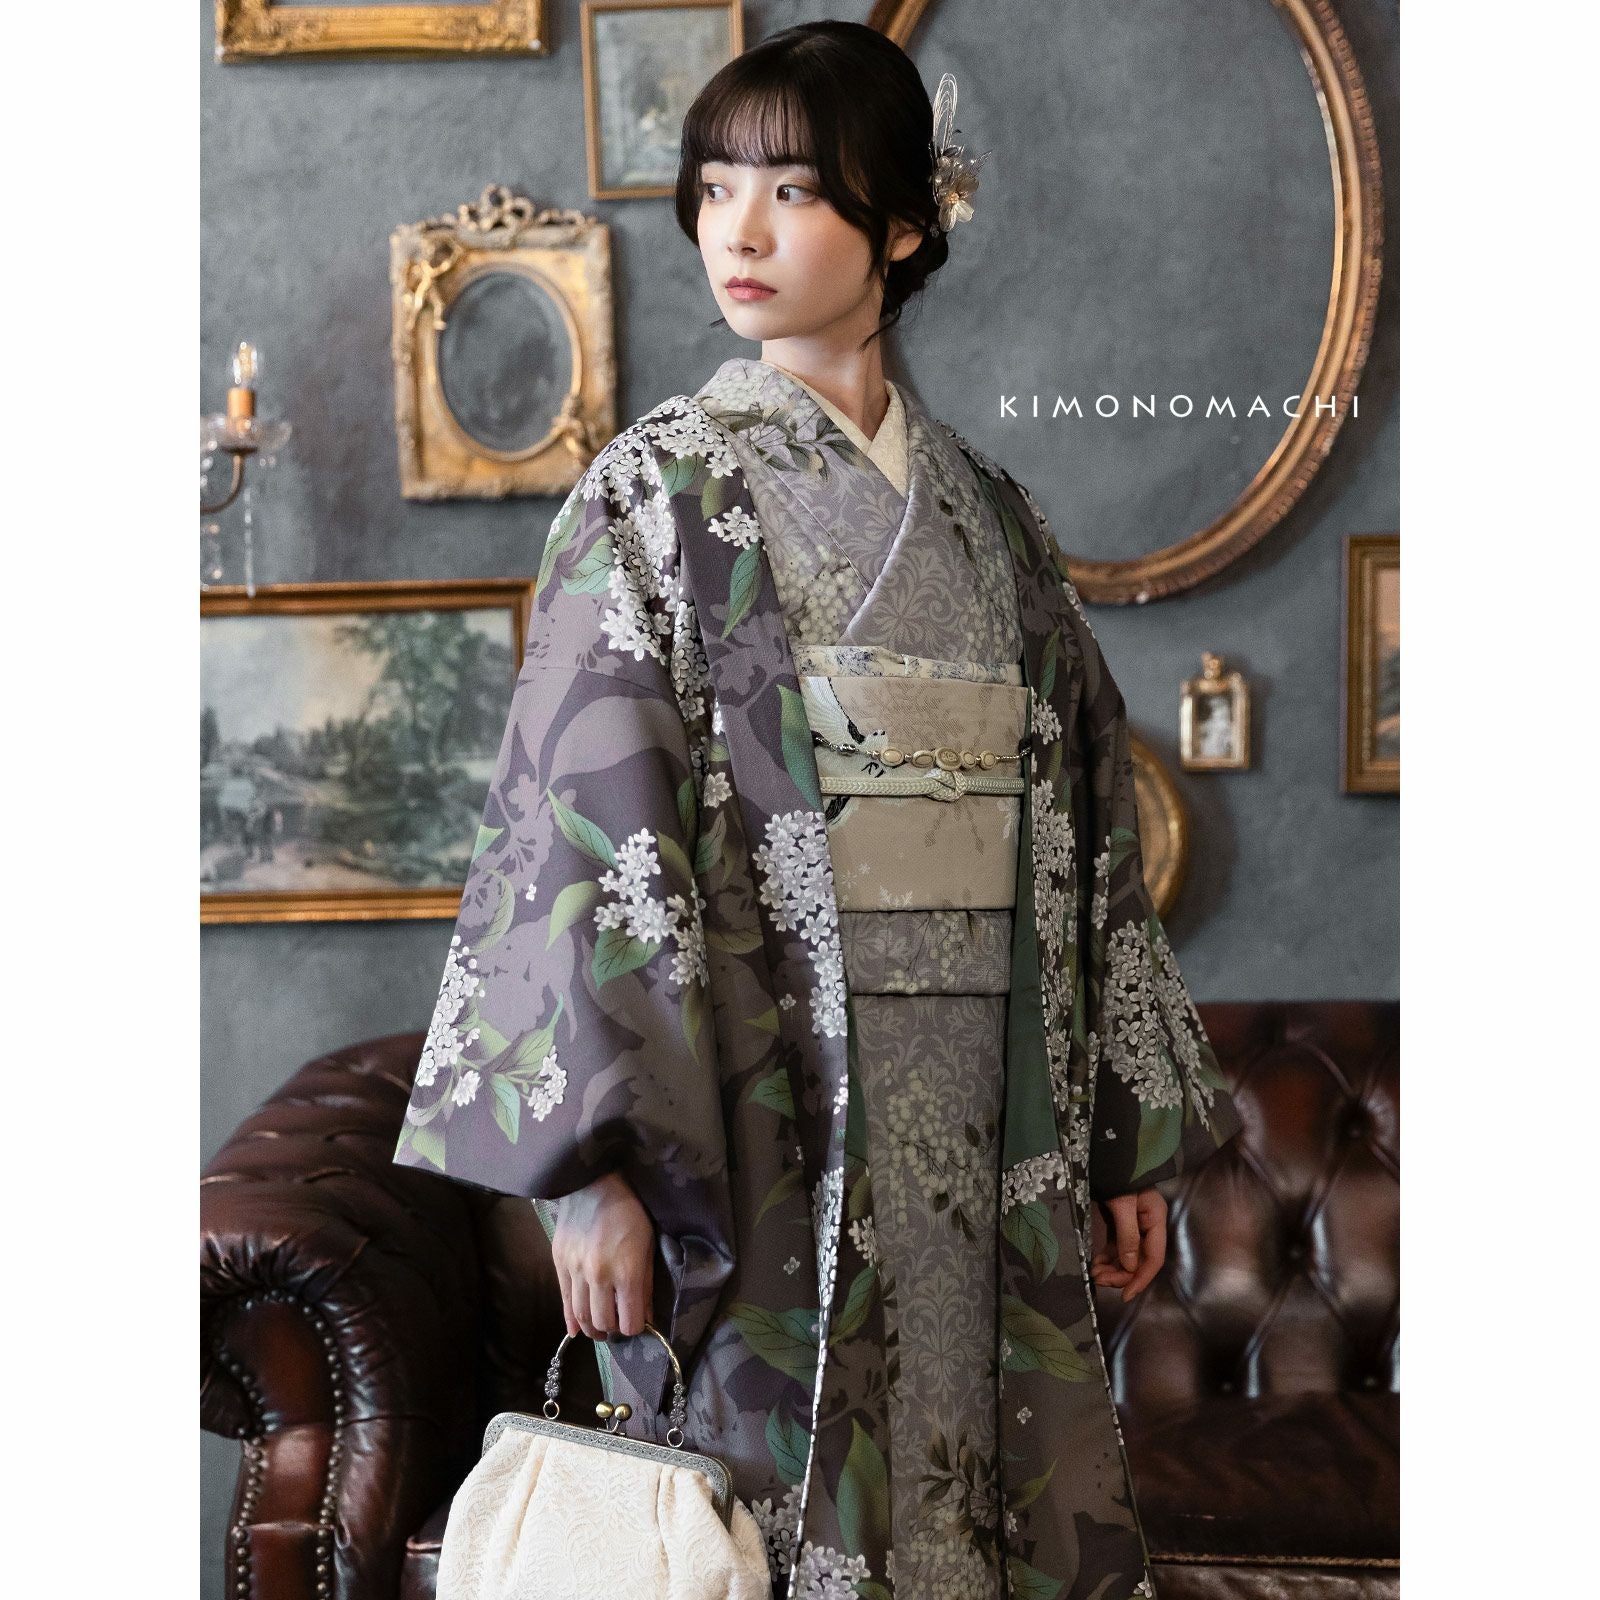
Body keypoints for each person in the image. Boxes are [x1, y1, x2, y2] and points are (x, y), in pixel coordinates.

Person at [393, 21, 1243, 1600]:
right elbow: (576, 824)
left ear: (903, 225)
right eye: (715, 187)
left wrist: (1124, 1137)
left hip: (988, 1095)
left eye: (792, 190)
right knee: (761, 1521)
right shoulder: (655, 496)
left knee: (982, 1507)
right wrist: (587, 1174)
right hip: (764, 1107)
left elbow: (1085, 835)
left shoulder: (995, 520)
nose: (740, 229)